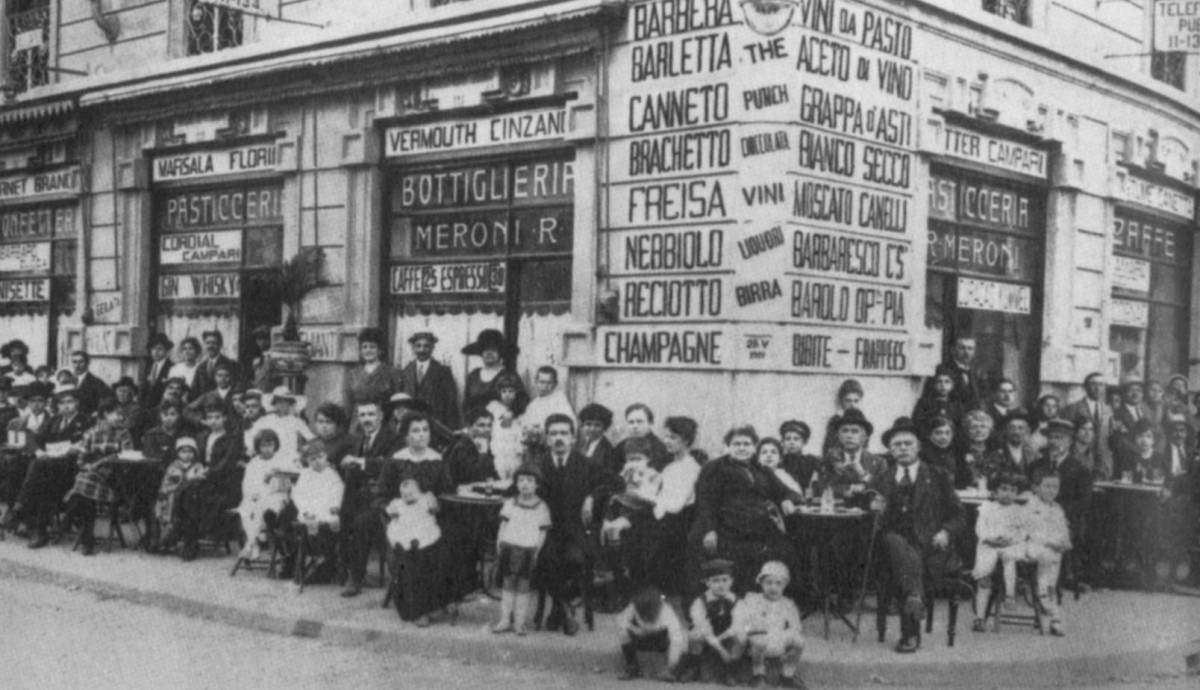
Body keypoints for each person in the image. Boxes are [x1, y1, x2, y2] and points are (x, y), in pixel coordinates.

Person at [867, 417, 965, 653]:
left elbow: (959, 516)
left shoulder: (938, 475)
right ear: (890, 450)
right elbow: (870, 522)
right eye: (897, 445)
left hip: (931, 545)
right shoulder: (880, 479)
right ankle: (912, 619)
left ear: (919, 447)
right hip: (890, 548)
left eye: (907, 444)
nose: (902, 448)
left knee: (908, 559)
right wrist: (873, 510)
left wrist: (945, 532)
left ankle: (913, 600)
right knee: (893, 540)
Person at [691, 425, 802, 596]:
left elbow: (788, 491)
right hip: (726, 528)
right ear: (728, 446)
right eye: (736, 444)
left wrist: (787, 499)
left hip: (759, 528)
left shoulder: (761, 469)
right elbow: (705, 502)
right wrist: (710, 530)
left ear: (754, 447)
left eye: (746, 444)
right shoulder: (715, 468)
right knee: (742, 559)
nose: (742, 448)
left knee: (788, 552)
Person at [535, 413, 618, 635]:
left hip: (577, 531)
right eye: (553, 434)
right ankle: (564, 607)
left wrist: (592, 496)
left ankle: (558, 608)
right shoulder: (538, 464)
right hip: (548, 530)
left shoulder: (586, 464)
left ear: (573, 438)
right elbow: (517, 486)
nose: (559, 438)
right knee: (543, 559)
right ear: (546, 438)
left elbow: (613, 482)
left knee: (575, 559)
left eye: (564, 433)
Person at [3, 385, 92, 546]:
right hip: (50, 467)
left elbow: (87, 443)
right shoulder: (54, 420)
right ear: (57, 406)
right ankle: (38, 530)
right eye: (62, 403)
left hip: (72, 469)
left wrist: (75, 448)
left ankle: (18, 508)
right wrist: (38, 450)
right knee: (39, 475)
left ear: (77, 403)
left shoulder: (85, 421)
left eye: (70, 402)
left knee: (39, 468)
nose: (66, 406)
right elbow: (35, 438)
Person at [340, 399, 402, 597]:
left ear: (381, 416)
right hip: (359, 494)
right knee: (341, 516)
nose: (366, 419)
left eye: (371, 414)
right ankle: (341, 568)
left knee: (361, 523)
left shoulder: (393, 438)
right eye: (363, 415)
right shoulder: (359, 438)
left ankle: (355, 577)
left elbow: (391, 466)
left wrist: (361, 462)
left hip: (383, 497)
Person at [62, 401, 135, 556]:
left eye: (121, 414)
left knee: (82, 486)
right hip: (90, 473)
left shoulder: (123, 433)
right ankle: (87, 539)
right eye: (116, 413)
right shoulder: (91, 432)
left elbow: (125, 456)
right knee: (85, 487)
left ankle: (68, 518)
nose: (120, 417)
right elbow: (81, 457)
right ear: (104, 415)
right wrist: (86, 465)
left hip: (112, 475)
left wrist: (99, 463)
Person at [174, 402, 244, 560]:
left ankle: (190, 538)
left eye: (217, 417)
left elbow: (226, 463)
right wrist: (196, 470)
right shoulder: (202, 436)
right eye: (210, 418)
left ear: (224, 418)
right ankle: (183, 533)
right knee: (183, 490)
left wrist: (206, 473)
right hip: (202, 477)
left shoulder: (231, 438)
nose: (213, 421)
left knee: (193, 494)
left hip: (223, 482)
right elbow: (196, 458)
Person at [492, 463, 551, 635]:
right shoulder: (510, 503)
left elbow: (542, 532)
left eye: (530, 480)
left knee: (523, 586)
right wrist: (499, 543)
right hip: (510, 547)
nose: (525, 484)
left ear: (537, 484)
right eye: (521, 480)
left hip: (528, 550)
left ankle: (519, 622)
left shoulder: (541, 506)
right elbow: (503, 525)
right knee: (508, 584)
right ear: (516, 483)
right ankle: (504, 620)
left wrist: (537, 550)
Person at [385, 472, 447, 626]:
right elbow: (392, 521)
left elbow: (433, 512)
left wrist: (432, 504)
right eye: (404, 494)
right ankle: (416, 611)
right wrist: (393, 513)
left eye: (412, 494)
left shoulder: (425, 501)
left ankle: (432, 605)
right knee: (411, 569)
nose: (408, 497)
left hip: (426, 541)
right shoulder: (398, 504)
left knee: (434, 562)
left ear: (420, 492)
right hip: (405, 544)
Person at [732, 561, 806, 689]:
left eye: (778, 583)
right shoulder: (753, 600)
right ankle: (758, 675)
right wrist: (748, 633)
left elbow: (796, 626)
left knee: (799, 641)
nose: (773, 587)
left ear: (785, 585)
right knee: (759, 640)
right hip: (757, 637)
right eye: (768, 583)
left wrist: (790, 639)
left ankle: (787, 675)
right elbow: (743, 620)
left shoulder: (788, 604)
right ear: (761, 583)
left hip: (778, 637)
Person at [969, 473, 1026, 631]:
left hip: (1010, 544)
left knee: (1009, 557)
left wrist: (1011, 540)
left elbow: (1022, 532)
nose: (1008, 493)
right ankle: (980, 617)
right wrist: (990, 539)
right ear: (994, 492)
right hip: (990, 544)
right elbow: (980, 529)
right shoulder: (987, 508)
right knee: (984, 575)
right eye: (1004, 489)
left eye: (1013, 490)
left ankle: (1010, 594)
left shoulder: (1018, 510)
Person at [1028, 419, 1092, 555]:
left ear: (1069, 442)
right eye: (1050, 437)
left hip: (1065, 522)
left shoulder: (1080, 470)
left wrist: (1055, 515)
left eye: (1059, 438)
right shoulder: (1035, 466)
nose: (1053, 442)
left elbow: (1083, 503)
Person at [288, 440, 345, 584]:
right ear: (307, 461)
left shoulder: (332, 474)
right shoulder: (305, 474)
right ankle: (316, 554)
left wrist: (334, 505)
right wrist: (305, 509)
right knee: (308, 524)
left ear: (326, 457)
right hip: (310, 509)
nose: (317, 461)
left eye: (320, 457)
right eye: (313, 459)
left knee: (331, 523)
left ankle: (326, 555)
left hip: (326, 508)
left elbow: (338, 491)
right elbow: (298, 494)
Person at [1021, 471, 1071, 636]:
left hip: (1053, 550)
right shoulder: (1031, 506)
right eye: (1047, 486)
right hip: (1035, 546)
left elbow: (1063, 529)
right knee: (1046, 558)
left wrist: (1064, 541)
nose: (1051, 490)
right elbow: (1031, 531)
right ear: (1037, 488)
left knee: (1052, 576)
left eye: (1055, 487)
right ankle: (1051, 612)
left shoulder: (1057, 508)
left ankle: (1048, 600)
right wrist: (1051, 542)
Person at [680, 558, 742, 685]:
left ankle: (730, 671)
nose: (721, 585)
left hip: (727, 635)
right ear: (707, 583)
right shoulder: (700, 602)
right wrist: (720, 649)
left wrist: (723, 639)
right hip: (708, 636)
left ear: (731, 581)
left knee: (740, 635)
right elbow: (704, 628)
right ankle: (693, 667)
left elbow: (737, 626)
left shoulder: (737, 601)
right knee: (694, 634)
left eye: (725, 580)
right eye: (715, 580)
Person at [236, 429, 291, 561]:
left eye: (270, 445)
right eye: (263, 446)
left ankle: (251, 543)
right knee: (248, 508)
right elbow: (247, 483)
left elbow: (289, 483)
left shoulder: (282, 460)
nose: (267, 449)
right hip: (257, 495)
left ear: (275, 445)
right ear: (258, 447)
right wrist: (253, 494)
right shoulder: (254, 463)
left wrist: (278, 476)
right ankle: (253, 542)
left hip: (276, 495)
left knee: (264, 506)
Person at [615, 585, 687, 682]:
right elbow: (620, 620)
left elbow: (676, 639)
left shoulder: (666, 610)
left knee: (679, 635)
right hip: (641, 636)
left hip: (660, 640)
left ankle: (667, 670)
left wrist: (671, 664)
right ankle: (632, 666)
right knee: (623, 632)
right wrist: (634, 629)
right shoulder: (635, 605)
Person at [398, 332, 460, 431]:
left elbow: (451, 405)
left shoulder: (443, 372)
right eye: (418, 346)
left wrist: (451, 430)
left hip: (435, 425)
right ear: (413, 348)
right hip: (411, 425)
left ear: (432, 348)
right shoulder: (406, 371)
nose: (422, 350)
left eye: (426, 346)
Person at [154, 437, 206, 550]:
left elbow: (200, 481)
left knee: (190, 513)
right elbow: (167, 482)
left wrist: (195, 478)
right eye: (183, 451)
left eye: (190, 451)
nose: (187, 455)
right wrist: (166, 491)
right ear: (177, 453)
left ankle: (188, 541)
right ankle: (168, 539)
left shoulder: (197, 466)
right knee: (168, 515)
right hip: (172, 496)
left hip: (190, 498)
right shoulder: (173, 466)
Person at [244, 386, 314, 469]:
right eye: (279, 401)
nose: (282, 404)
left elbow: (311, 438)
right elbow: (250, 435)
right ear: (274, 403)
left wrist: (303, 452)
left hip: (290, 460)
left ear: (289, 403)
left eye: (285, 401)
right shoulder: (265, 420)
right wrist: (253, 449)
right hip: (270, 458)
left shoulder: (296, 421)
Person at [821, 408, 886, 498]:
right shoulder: (829, 460)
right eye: (845, 431)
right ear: (838, 435)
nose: (849, 436)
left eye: (855, 431)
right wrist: (849, 488)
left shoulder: (879, 462)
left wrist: (863, 474)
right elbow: (821, 488)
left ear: (864, 437)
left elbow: (885, 489)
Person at [1061, 372, 1114, 480]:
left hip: (1102, 462)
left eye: (1101, 384)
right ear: (1085, 386)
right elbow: (1066, 436)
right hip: (1080, 458)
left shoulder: (1108, 409)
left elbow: (1109, 435)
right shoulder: (1073, 408)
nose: (1097, 388)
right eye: (1093, 384)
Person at [462, 329, 526, 416]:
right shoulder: (473, 375)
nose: (489, 353)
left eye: (493, 349)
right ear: (480, 352)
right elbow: (466, 404)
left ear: (500, 352)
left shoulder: (509, 375)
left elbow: (521, 403)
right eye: (485, 350)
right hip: (477, 425)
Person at [345, 327, 402, 415]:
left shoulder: (391, 372)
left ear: (380, 350)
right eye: (364, 347)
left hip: (383, 419)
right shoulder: (353, 374)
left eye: (372, 347)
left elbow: (397, 402)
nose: (368, 350)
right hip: (358, 421)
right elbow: (349, 404)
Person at [487, 372, 528, 480]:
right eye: (504, 391)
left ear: (516, 393)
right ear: (499, 393)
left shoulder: (521, 412)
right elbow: (502, 427)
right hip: (499, 453)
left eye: (511, 391)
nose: (507, 394)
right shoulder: (494, 408)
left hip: (515, 453)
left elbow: (522, 433)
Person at [443, 407, 497, 485]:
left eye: (489, 425)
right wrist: (483, 454)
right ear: (469, 427)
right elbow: (473, 478)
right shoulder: (461, 447)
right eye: (481, 425)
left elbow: (491, 474)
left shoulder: (482, 444)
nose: (487, 429)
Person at [912, 364, 964, 437]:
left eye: (947, 382)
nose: (943, 385)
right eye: (939, 382)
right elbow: (918, 424)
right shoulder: (925, 404)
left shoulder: (956, 405)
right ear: (934, 384)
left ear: (952, 385)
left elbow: (960, 426)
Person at [521, 366, 575, 433]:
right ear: (536, 382)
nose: (545, 386)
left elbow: (570, 425)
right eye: (542, 382)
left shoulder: (560, 401)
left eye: (549, 383)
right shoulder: (533, 404)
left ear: (555, 384)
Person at [187, 361, 241, 428]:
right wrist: (200, 420)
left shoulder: (237, 395)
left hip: (233, 430)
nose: (223, 379)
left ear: (231, 377)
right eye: (219, 375)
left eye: (227, 376)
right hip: (211, 429)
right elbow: (187, 410)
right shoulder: (207, 396)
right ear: (215, 377)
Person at [822, 378, 864, 455]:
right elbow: (828, 446)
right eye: (848, 401)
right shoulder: (835, 420)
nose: (852, 405)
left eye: (856, 401)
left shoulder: (863, 421)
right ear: (842, 401)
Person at [310, 402, 354, 473]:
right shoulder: (312, 443)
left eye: (328, 422)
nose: (324, 426)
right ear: (316, 423)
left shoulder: (347, 442)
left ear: (337, 424)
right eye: (320, 422)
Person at [946, 335, 986, 411]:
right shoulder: (944, 370)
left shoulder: (977, 373)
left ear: (974, 352)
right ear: (953, 350)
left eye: (970, 348)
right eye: (962, 348)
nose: (966, 352)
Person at [921, 416, 965, 487]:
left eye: (947, 433)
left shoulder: (957, 455)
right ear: (930, 435)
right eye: (938, 433)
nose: (943, 437)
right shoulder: (922, 455)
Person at [779, 420, 821, 492]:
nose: (792, 442)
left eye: (796, 439)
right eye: (788, 439)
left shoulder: (811, 461)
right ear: (783, 442)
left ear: (804, 442)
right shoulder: (780, 462)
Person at [69, 351, 112, 419]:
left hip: (87, 420)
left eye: (81, 362)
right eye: (74, 362)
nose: (77, 365)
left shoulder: (96, 382)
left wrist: (98, 412)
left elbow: (108, 399)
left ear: (87, 363)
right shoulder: (68, 381)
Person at [577, 403, 617, 476]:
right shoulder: (578, 445)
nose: (592, 429)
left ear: (604, 427)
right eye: (588, 424)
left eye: (597, 425)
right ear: (582, 425)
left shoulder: (608, 450)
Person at [195, 330, 238, 395]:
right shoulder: (201, 367)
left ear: (220, 345)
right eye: (208, 343)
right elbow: (195, 390)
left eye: (214, 343)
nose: (210, 346)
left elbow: (236, 388)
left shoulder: (231, 365)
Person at [141, 333, 175, 407]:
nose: (156, 352)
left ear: (166, 351)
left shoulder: (172, 367)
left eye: (160, 349)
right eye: (153, 349)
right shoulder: (149, 366)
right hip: (146, 406)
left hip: (162, 405)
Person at [173, 338, 203, 402]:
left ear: (197, 351)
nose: (187, 351)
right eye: (184, 349)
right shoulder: (175, 369)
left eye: (191, 348)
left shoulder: (202, 368)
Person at [246, 325, 274, 393]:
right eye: (259, 339)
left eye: (265, 339)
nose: (262, 342)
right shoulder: (257, 357)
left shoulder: (274, 357)